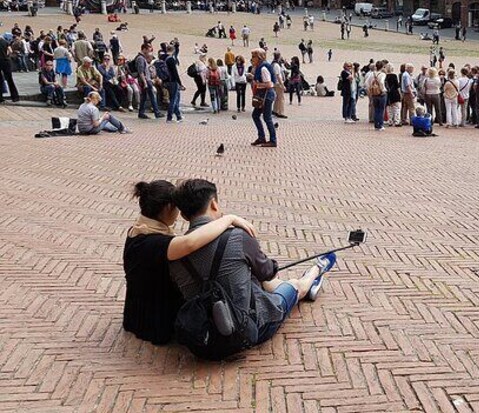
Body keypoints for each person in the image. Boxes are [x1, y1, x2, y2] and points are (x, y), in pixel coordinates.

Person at [169, 180, 335, 356]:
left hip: (202, 336)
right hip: (248, 329)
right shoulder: (237, 237)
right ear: (214, 204)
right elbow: (268, 273)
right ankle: (317, 270)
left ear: (184, 216)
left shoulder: (174, 252)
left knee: (247, 278)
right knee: (294, 285)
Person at [123, 180, 257, 345]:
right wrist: (228, 219)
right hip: (156, 322)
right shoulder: (154, 243)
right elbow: (190, 243)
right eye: (177, 208)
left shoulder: (137, 232)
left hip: (136, 314)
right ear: (167, 208)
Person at [249, 48, 277, 147]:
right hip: (263, 95)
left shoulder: (263, 68)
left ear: (259, 57)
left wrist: (258, 84)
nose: (252, 59)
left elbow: (269, 84)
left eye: (254, 57)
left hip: (267, 95)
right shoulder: (259, 67)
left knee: (267, 117)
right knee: (255, 115)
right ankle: (261, 137)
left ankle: (273, 140)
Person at [165, 45, 184, 122]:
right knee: (173, 99)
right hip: (173, 81)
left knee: (173, 98)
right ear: (173, 50)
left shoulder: (165, 58)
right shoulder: (171, 60)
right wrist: (180, 82)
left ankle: (178, 116)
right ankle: (169, 117)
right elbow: (175, 72)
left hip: (167, 81)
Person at [0, 34, 20, 103]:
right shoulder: (5, 42)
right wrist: (6, 55)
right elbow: (10, 51)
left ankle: (0, 97)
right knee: (10, 80)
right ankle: (15, 97)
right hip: (6, 61)